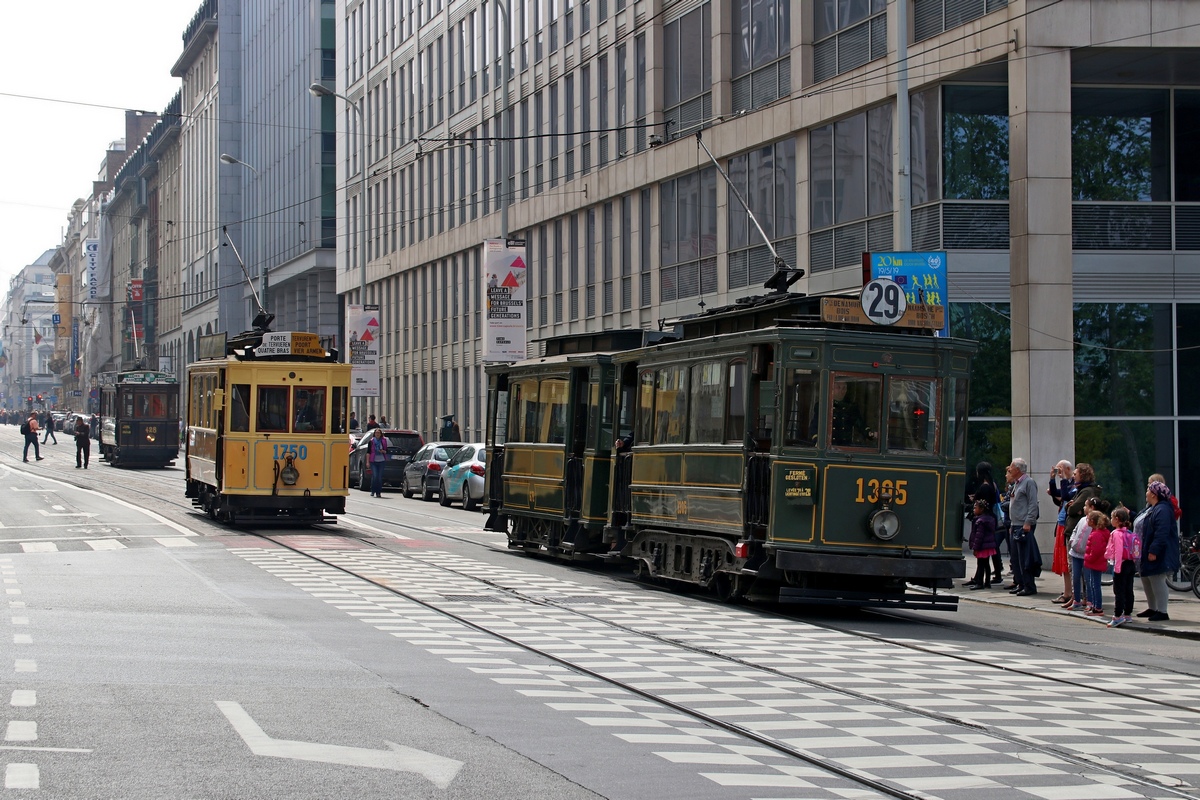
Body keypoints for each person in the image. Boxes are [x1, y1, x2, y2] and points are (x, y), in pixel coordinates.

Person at [1137, 480, 1181, 622]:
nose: (1146, 492)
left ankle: (1162, 611)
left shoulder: (1162, 510)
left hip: (1160, 552)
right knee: (1147, 578)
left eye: (1149, 490)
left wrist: (1154, 550)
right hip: (1149, 549)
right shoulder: (1153, 508)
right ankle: (1153, 608)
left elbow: (1161, 533)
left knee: (1157, 579)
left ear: (1155, 494)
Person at [1006, 458, 1040, 596]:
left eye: (1012, 467)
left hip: (1023, 525)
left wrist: (1028, 522)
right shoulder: (1017, 483)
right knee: (1015, 558)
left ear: (1018, 469)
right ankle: (1020, 583)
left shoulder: (1029, 482)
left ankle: (1029, 585)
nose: (1009, 469)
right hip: (1015, 524)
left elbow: (1033, 504)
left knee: (1024, 558)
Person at [1105, 506, 1139, 627]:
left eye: (1112, 518)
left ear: (1117, 519)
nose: (1111, 520)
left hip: (1121, 564)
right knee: (1128, 590)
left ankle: (1117, 616)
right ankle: (1128, 614)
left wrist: (1117, 567)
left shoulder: (1116, 534)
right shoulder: (1130, 533)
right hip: (1130, 564)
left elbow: (1118, 551)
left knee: (1118, 591)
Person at [1048, 460, 1076, 605]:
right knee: (1063, 561)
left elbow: (1065, 496)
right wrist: (1052, 479)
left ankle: (1070, 592)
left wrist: (1064, 479)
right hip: (1061, 523)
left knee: (1068, 561)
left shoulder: (1074, 485)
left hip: (1067, 525)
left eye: (1061, 469)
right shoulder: (1068, 484)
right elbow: (1056, 493)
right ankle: (1068, 591)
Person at [829, 379, 876, 447]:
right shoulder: (825, 405)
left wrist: (869, 433)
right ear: (832, 388)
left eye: (844, 388)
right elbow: (816, 425)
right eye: (838, 387)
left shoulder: (850, 407)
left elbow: (859, 423)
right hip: (829, 446)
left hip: (845, 447)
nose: (841, 391)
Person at [1082, 509, 1111, 617]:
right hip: (1098, 562)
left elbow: (1096, 551)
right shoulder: (1101, 532)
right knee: (1094, 584)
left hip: (1095, 563)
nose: (1087, 521)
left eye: (1089, 519)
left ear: (1093, 521)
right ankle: (1095, 606)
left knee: (1095, 585)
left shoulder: (1096, 534)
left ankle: (1097, 608)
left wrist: (1087, 558)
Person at [964, 499, 998, 589]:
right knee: (986, 564)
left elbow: (979, 536)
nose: (974, 510)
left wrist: (975, 548)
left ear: (981, 509)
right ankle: (987, 582)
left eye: (975, 508)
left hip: (982, 546)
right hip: (988, 545)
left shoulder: (980, 521)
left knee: (981, 565)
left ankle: (979, 583)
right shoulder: (990, 519)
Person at [367, 428, 388, 498]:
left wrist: (383, 451)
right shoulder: (371, 441)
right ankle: (373, 490)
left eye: (379, 433)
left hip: (381, 461)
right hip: (373, 461)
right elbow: (368, 452)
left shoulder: (384, 441)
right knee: (375, 476)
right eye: (376, 433)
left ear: (381, 434)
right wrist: (367, 462)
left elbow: (387, 450)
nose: (377, 434)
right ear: (374, 434)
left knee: (379, 477)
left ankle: (378, 492)